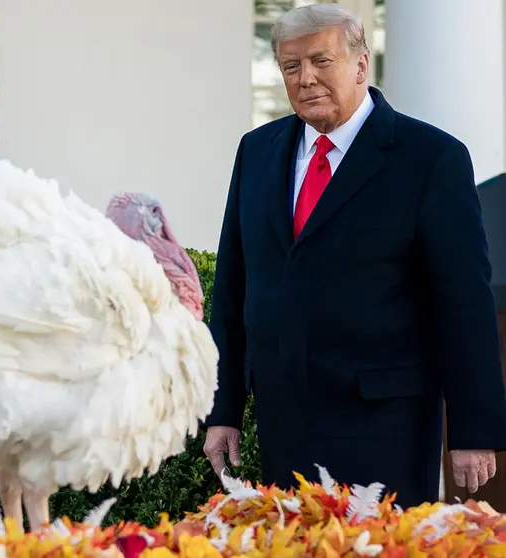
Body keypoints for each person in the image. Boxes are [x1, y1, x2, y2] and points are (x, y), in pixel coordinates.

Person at [202, 3, 506, 509]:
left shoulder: (430, 158)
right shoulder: (256, 151)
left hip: (384, 424)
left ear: (361, 64)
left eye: (322, 61)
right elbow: (233, 290)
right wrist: (223, 408)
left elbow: (464, 303)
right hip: (282, 420)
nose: (306, 79)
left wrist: (474, 429)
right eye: (291, 67)